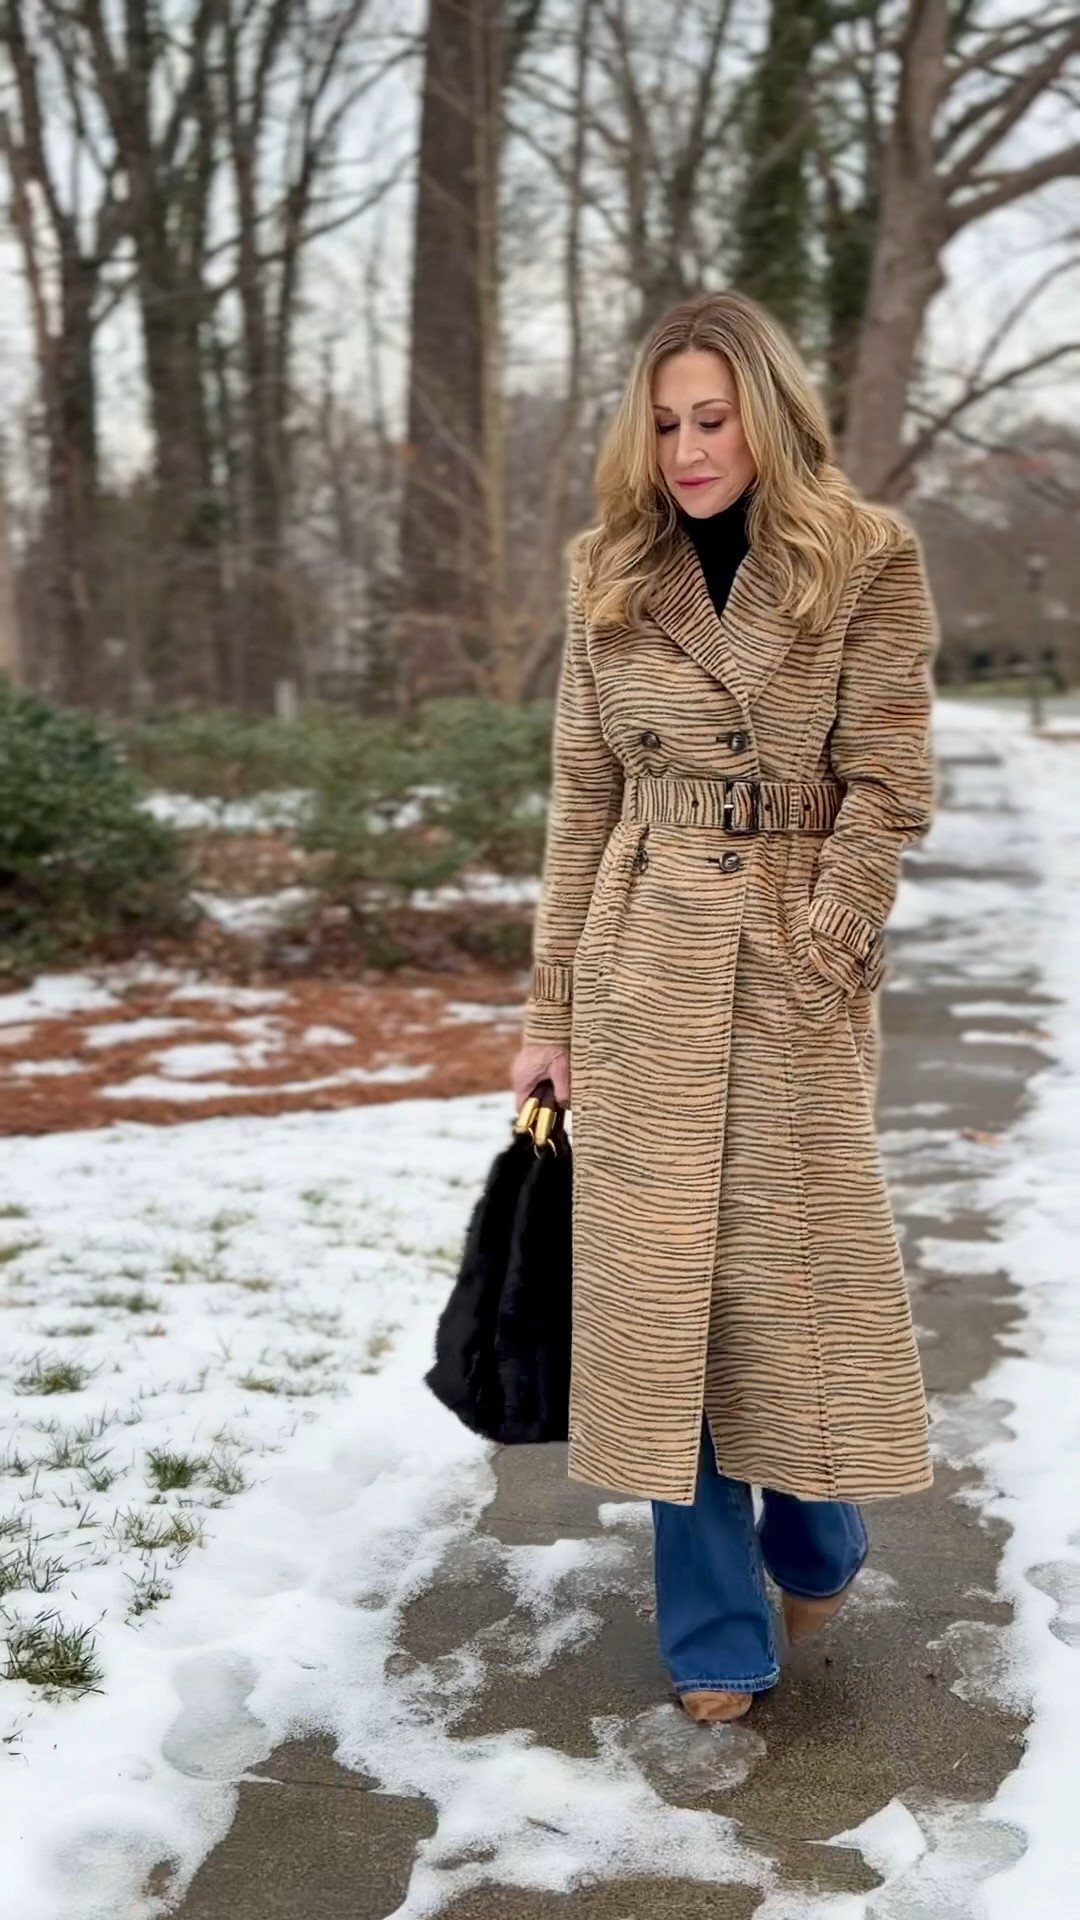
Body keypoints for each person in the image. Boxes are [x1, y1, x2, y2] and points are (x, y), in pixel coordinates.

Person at [509, 289, 939, 1725]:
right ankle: (710, 1627)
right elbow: (584, 797)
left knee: (784, 1283)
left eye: (714, 418)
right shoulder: (608, 568)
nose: (688, 450)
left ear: (768, 415)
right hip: (645, 956)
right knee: (656, 1299)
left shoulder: (865, 556)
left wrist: (833, 935)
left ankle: (816, 1530)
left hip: (788, 965)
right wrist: (553, 1009)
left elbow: (888, 777)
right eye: (665, 423)